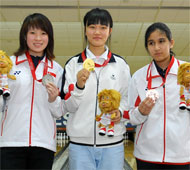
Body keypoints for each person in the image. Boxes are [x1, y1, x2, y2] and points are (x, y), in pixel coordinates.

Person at [60, 8, 131, 170]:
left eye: (103, 28)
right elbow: (68, 106)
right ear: (85, 30)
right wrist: (79, 86)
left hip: (113, 144)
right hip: (80, 144)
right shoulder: (73, 64)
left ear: (110, 31)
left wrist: (119, 111)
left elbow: (128, 98)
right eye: (92, 27)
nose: (97, 32)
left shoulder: (120, 65)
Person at [0, 13, 64, 169]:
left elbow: (59, 112)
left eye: (43, 33)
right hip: (11, 141)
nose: (38, 38)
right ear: (24, 36)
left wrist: (54, 98)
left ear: (49, 38)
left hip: (43, 144)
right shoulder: (9, 64)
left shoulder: (57, 69)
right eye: (32, 33)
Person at [123, 22, 190, 169]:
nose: (157, 47)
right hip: (147, 156)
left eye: (161, 41)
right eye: (151, 43)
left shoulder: (187, 72)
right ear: (147, 47)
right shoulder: (139, 77)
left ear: (171, 43)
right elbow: (132, 117)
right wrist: (141, 112)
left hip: (182, 156)